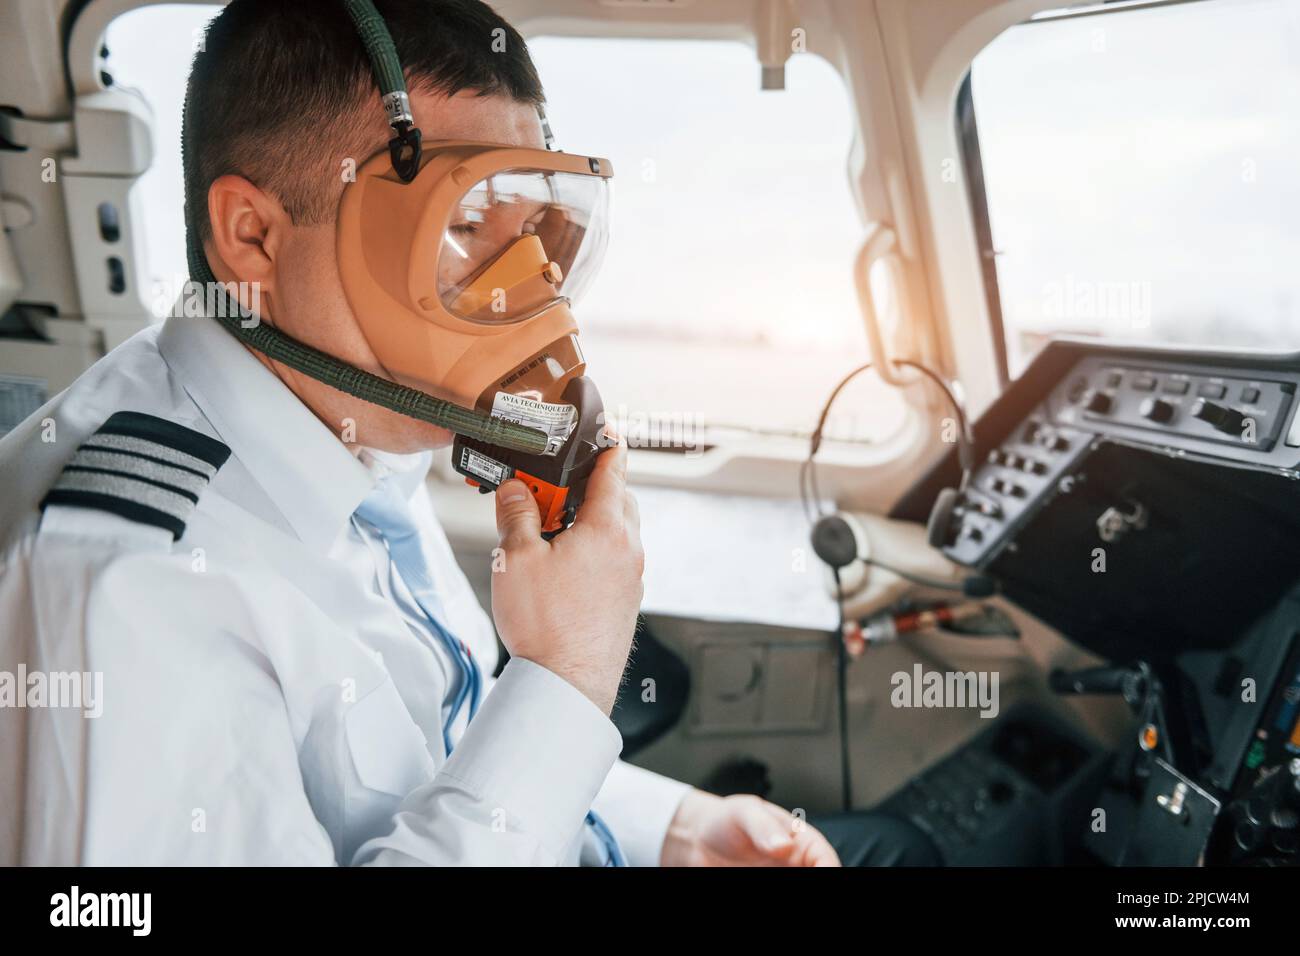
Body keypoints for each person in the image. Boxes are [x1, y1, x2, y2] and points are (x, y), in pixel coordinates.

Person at [0, 0, 937, 867]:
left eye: (541, 230)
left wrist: (671, 828)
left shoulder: (365, 429)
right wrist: (568, 673)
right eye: (468, 224)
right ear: (252, 235)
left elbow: (444, 744)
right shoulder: (128, 585)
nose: (524, 287)